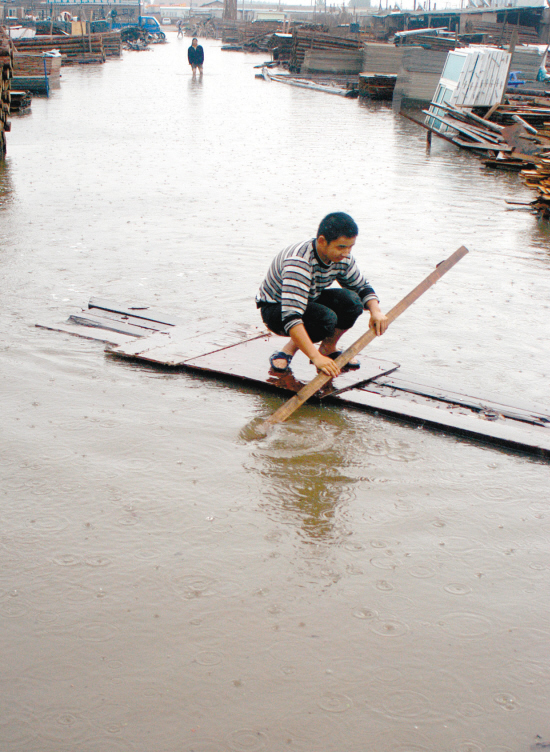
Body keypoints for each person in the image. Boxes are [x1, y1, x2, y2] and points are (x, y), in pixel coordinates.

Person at [256, 212, 389, 378]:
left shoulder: (343, 257)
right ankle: (287, 351)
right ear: (321, 241)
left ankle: (328, 348)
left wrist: (376, 311)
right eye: (341, 247)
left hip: (308, 298)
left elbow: (361, 286)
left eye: (350, 247)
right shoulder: (299, 262)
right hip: (276, 308)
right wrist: (316, 358)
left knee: (353, 302)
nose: (346, 253)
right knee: (326, 320)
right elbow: (291, 317)